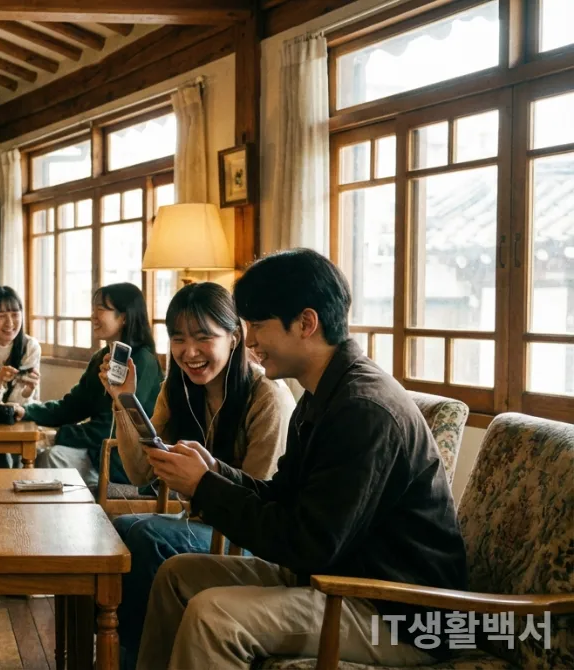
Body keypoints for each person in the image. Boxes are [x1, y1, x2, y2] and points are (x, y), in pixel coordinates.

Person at [136, 249, 467, 669]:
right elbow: (283, 496)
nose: (249, 341)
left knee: (213, 615)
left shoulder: (363, 409)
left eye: (258, 325)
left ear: (306, 323)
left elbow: (309, 545)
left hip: (397, 611)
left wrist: (204, 487)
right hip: (337, 579)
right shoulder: (320, 396)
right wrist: (215, 472)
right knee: (177, 575)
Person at [102, 282, 295, 670]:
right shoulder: (178, 390)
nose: (189, 352)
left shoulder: (266, 398)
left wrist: (202, 482)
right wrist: (124, 400)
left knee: (145, 535)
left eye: (203, 337)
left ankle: (133, 661)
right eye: (178, 339)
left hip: (246, 538)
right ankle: (131, 657)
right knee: (120, 531)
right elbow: (138, 472)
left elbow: (257, 503)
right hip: (198, 523)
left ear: (234, 337)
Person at [14, 283, 162, 487]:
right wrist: (27, 411)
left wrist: (58, 436)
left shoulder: (143, 362)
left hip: (123, 463)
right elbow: (72, 406)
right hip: (97, 452)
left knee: (53, 457)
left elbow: (111, 426)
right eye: (93, 309)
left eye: (100, 309)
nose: (93, 316)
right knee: (43, 456)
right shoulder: (101, 358)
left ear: (124, 317)